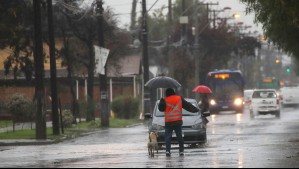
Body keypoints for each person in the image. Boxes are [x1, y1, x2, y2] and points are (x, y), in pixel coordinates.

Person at [158, 88, 199, 157]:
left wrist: (161, 101)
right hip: (177, 121)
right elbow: (187, 106)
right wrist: (196, 110)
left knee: (168, 137)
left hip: (168, 122)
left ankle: (168, 151)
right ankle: (181, 151)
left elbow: (161, 109)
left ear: (167, 94)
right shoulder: (179, 98)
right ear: (173, 92)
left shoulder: (165, 100)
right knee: (179, 137)